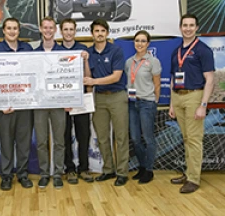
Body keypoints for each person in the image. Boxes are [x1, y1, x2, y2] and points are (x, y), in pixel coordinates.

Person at [169, 14, 214, 193]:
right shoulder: (176, 51)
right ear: (180, 28)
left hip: (195, 96)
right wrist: (172, 103)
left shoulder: (203, 50)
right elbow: (173, 78)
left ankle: (194, 179)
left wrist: (203, 105)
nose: (188, 28)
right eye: (185, 25)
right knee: (186, 138)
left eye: (191, 25)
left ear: (197, 28)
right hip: (178, 97)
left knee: (194, 140)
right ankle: (188, 173)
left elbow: (209, 79)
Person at [0, 17, 34, 191]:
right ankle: (6, 176)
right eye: (9, 28)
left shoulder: (27, 49)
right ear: (3, 30)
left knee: (24, 143)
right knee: (6, 142)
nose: (12, 31)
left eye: (15, 28)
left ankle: (22, 174)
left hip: (24, 104)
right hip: (4, 107)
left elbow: (34, 75)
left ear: (19, 30)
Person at [83, 18, 129, 186]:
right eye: (97, 31)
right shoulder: (89, 53)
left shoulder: (116, 50)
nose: (100, 34)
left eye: (103, 31)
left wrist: (94, 82)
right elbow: (88, 76)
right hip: (99, 98)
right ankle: (108, 170)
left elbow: (116, 76)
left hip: (117, 96)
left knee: (121, 136)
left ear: (107, 33)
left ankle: (122, 172)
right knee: (102, 136)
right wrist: (86, 61)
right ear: (92, 33)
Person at [125, 30, 161, 184]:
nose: (139, 43)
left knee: (148, 138)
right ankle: (141, 166)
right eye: (137, 40)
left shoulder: (153, 61)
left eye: (143, 41)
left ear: (148, 44)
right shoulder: (128, 62)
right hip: (132, 103)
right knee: (135, 138)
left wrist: (154, 101)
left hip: (147, 103)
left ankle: (149, 170)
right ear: (134, 43)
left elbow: (157, 83)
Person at [60, 18, 93, 184]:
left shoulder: (83, 49)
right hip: (63, 100)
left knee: (84, 135)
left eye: (71, 29)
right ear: (61, 31)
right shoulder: (56, 51)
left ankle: (84, 168)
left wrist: (86, 60)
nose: (68, 32)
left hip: (80, 99)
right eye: (65, 29)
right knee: (65, 136)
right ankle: (70, 169)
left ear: (75, 31)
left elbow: (88, 77)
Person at [34, 16, 66, 189]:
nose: (47, 30)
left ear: (55, 30)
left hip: (58, 103)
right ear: (40, 29)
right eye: (45, 27)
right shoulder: (32, 54)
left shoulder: (64, 54)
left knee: (59, 140)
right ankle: (44, 173)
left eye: (51, 28)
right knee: (41, 141)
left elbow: (70, 78)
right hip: (39, 103)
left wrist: (69, 99)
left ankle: (58, 173)